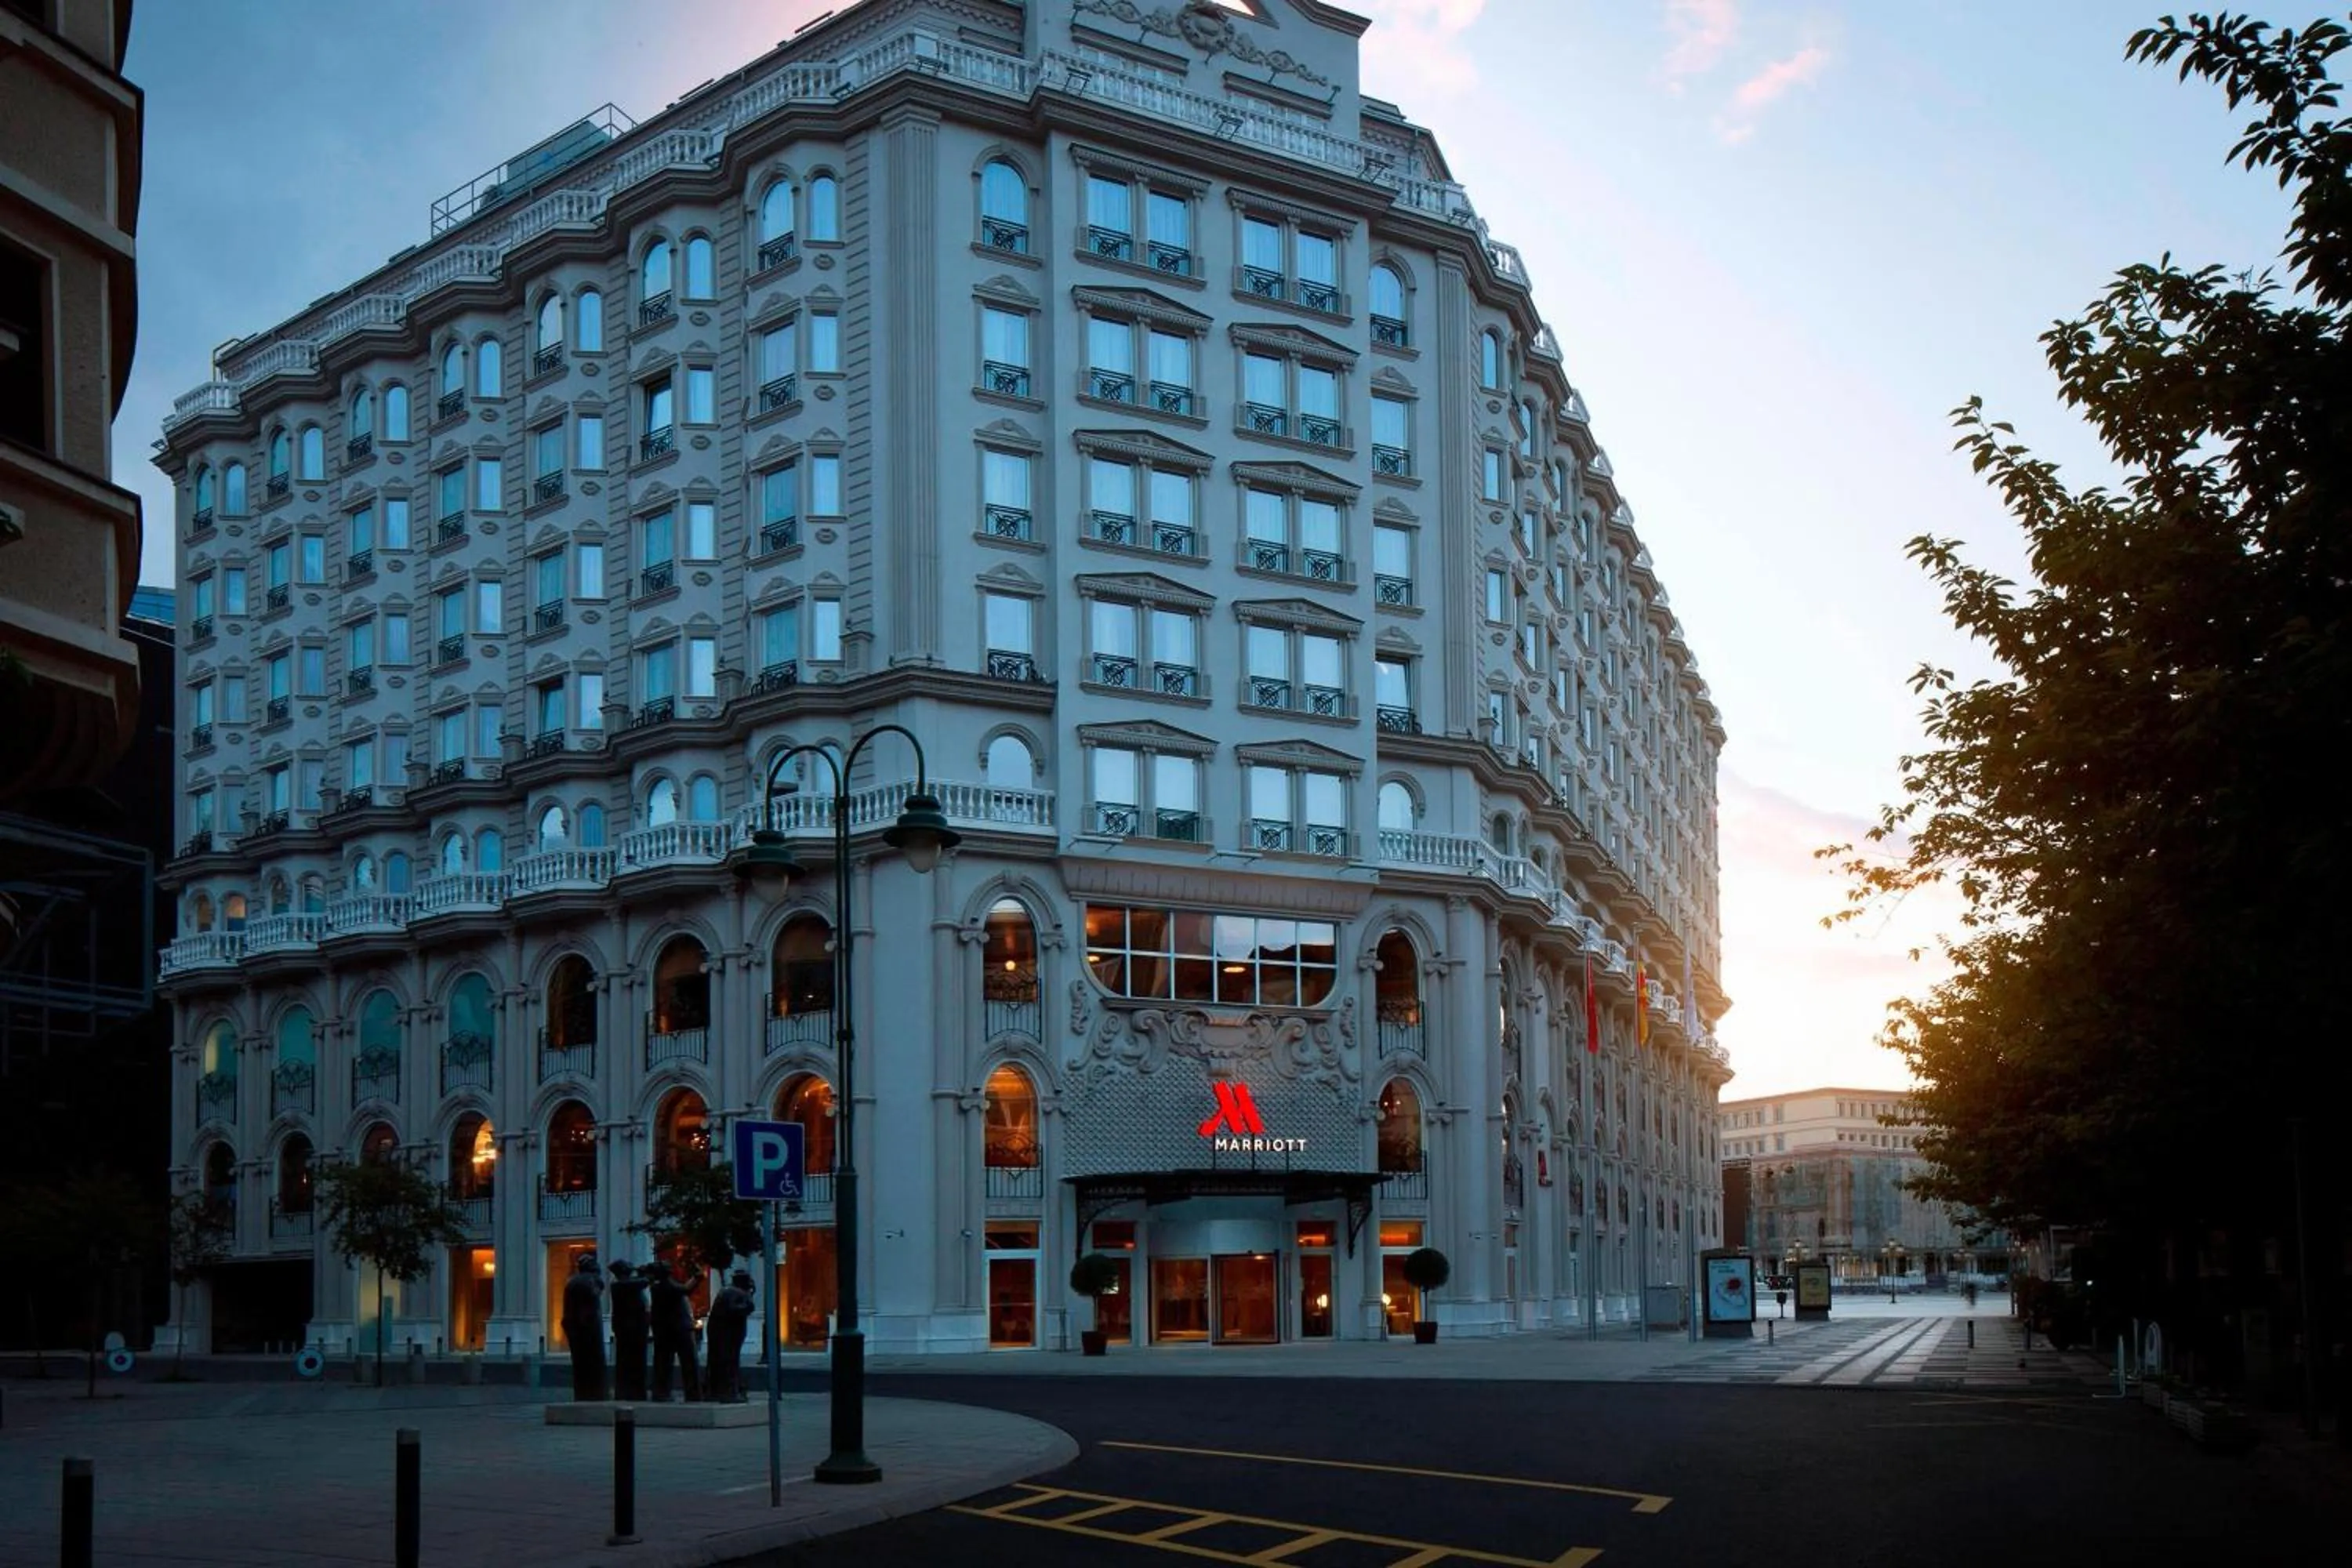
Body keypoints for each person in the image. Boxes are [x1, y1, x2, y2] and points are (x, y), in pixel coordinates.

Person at [647, 1257, 702, 1403]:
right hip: (679, 1329)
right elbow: (686, 1289)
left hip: (666, 1330)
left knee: (663, 1363)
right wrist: (697, 1276)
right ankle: (692, 1394)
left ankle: (661, 1392)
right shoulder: (667, 1285)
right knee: (689, 1363)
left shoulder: (657, 1286)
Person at [560, 1250, 607, 1402]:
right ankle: (594, 1393)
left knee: (580, 1364)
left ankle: (584, 1393)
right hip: (586, 1326)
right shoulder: (588, 1281)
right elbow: (594, 1294)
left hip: (576, 1325)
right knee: (593, 1361)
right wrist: (599, 1282)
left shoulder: (573, 1281)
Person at [706, 1269, 754, 1403]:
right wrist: (748, 1302)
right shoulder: (733, 1292)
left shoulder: (729, 1291)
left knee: (723, 1362)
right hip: (726, 1335)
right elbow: (734, 1309)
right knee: (728, 1362)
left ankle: (717, 1391)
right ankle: (727, 1392)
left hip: (725, 1334)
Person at [608, 1261, 651, 1402]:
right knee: (630, 1361)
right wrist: (642, 1272)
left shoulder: (625, 1283)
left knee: (634, 1361)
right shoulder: (619, 1284)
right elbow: (644, 1281)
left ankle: (634, 1391)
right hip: (630, 1328)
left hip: (634, 1327)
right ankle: (630, 1392)